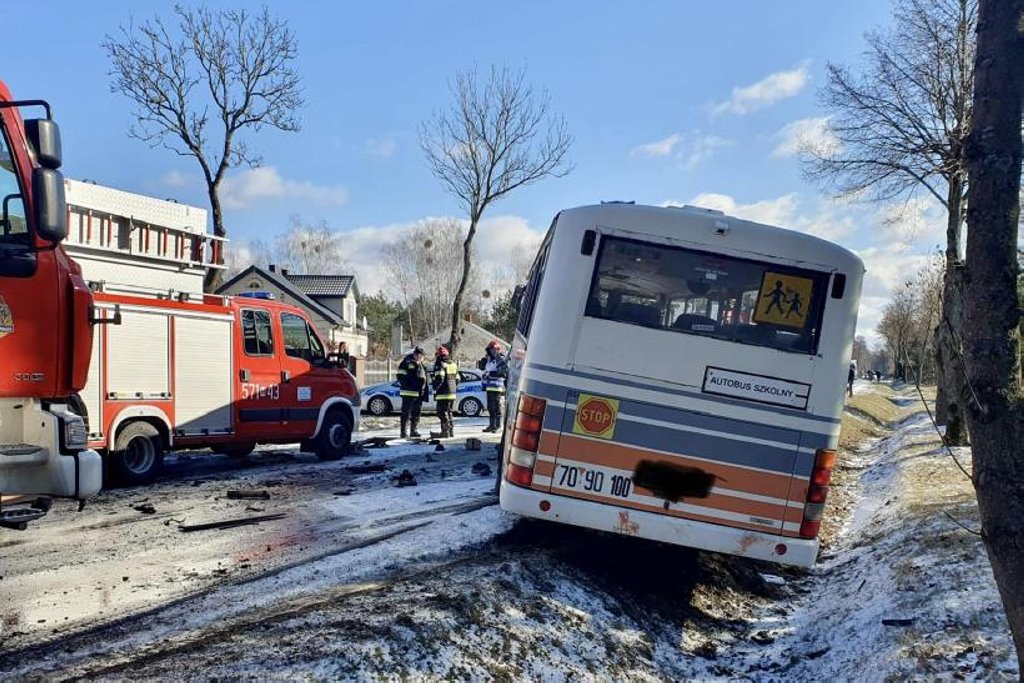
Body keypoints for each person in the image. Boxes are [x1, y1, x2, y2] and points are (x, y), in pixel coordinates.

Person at [396, 346, 428, 438]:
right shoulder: (406, 362)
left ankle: (413, 430)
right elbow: (400, 376)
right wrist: (410, 384)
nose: (421, 357)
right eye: (420, 355)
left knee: (416, 413)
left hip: (419, 393)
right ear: (416, 355)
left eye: (422, 356)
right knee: (406, 413)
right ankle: (403, 432)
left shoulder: (421, 364)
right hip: (408, 392)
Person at [479, 340, 508, 433]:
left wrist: (490, 374)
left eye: (494, 349)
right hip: (489, 386)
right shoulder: (489, 359)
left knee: (497, 406)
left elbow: (502, 371)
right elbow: (482, 368)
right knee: (490, 407)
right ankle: (492, 425)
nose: (492, 351)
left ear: (498, 349)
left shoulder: (501, 358)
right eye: (491, 350)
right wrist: (484, 360)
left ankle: (498, 426)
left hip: (498, 386)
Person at [432, 345, 459, 438]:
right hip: (452, 393)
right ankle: (451, 432)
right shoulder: (453, 364)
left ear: (439, 355)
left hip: (443, 393)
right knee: (449, 412)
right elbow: (458, 379)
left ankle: (445, 431)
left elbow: (439, 378)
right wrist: (453, 388)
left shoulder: (440, 364)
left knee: (441, 412)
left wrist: (435, 388)